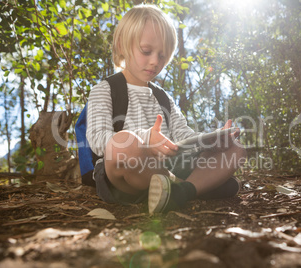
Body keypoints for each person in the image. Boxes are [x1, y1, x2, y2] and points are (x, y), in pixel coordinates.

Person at [86, 4, 247, 214]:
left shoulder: (163, 97)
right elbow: (98, 139)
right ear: (122, 45)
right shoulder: (105, 89)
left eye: (162, 56)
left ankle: (179, 192)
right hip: (130, 176)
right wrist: (144, 140)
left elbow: (184, 135)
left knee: (237, 149)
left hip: (170, 165)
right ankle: (191, 186)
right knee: (120, 145)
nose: (155, 61)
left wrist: (213, 140)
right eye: (146, 51)